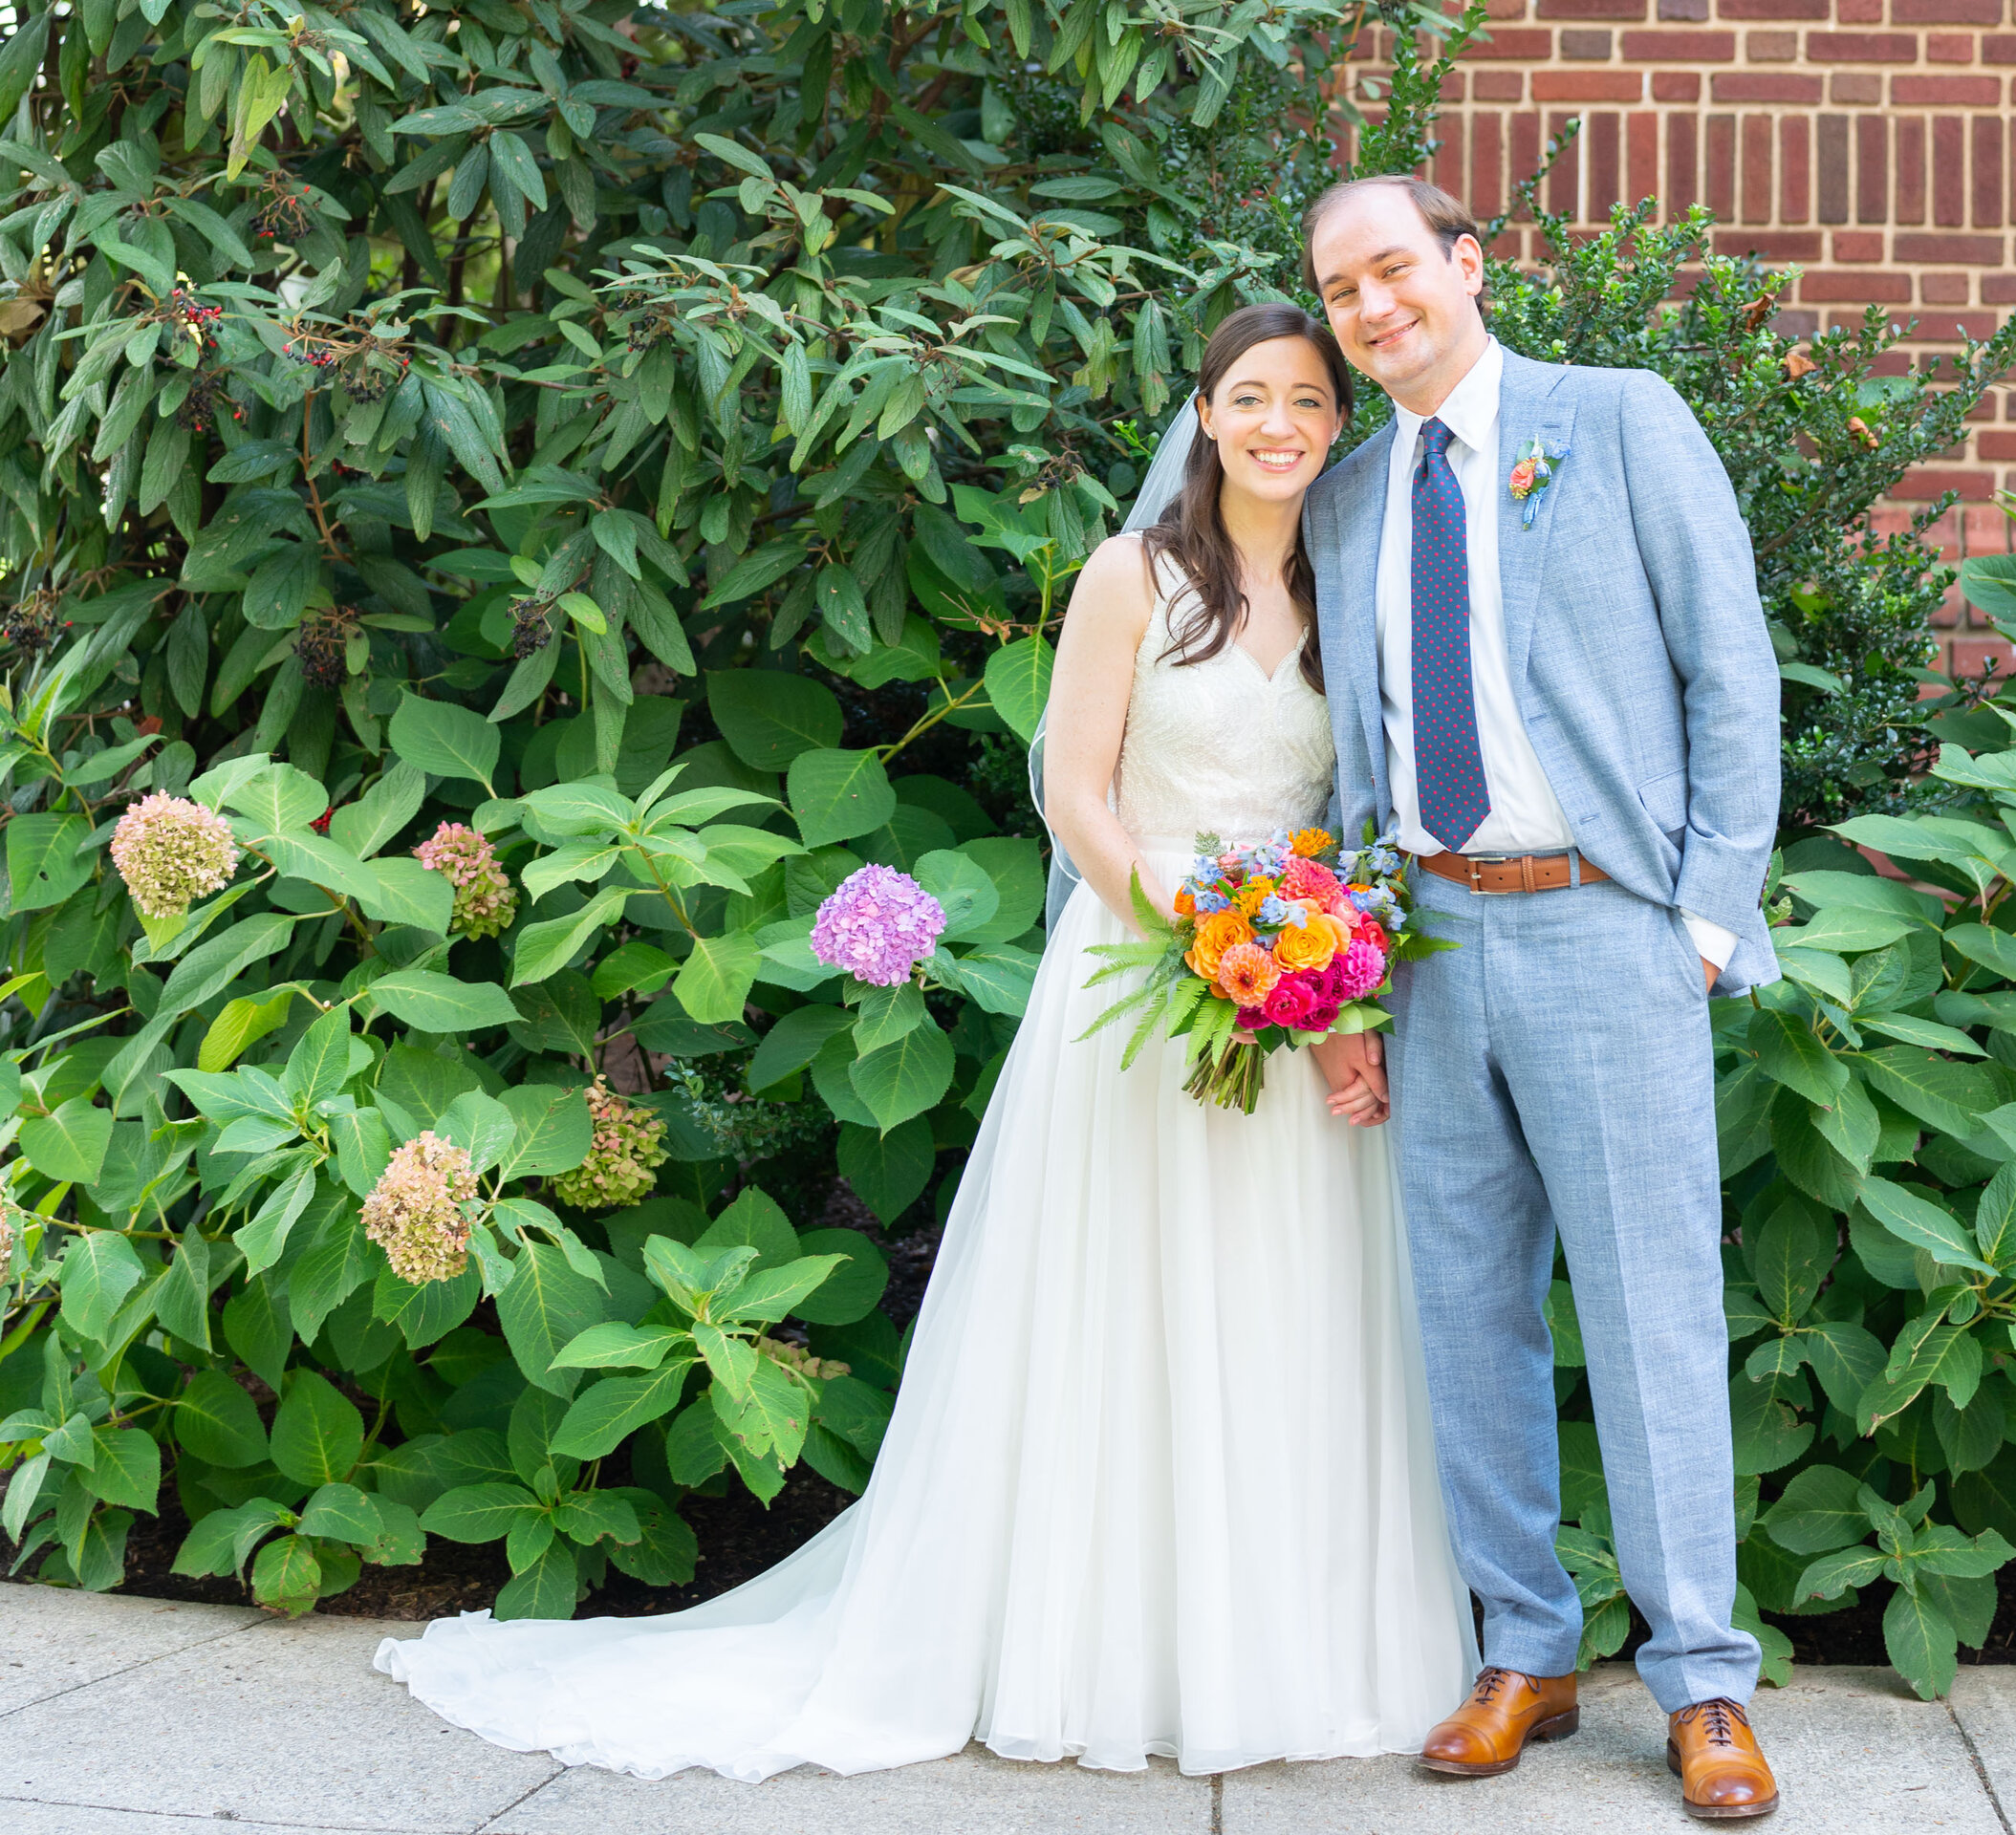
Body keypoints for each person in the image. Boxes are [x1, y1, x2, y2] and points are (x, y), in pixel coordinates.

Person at [371, 300, 1479, 1781]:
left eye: (1311, 403)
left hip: (1300, 992)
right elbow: (1080, 800)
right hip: (1148, 980)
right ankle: (1102, 1651)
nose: (1282, 424)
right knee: (1131, 1314)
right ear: (1204, 414)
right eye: (1252, 397)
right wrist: (1214, 944)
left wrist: (1324, 993)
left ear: (1341, 428)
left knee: (1292, 1309)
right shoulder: (1131, 575)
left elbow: (1355, 820)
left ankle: (1283, 1651)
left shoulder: (1354, 590)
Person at [1298, 175, 1786, 1821]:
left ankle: (1704, 1678)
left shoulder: (1619, 419)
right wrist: (1353, 973)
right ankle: (1525, 1647)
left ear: (1466, 266)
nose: (1371, 310)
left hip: (1606, 936)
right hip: (1432, 946)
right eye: (1340, 291)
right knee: (1467, 1319)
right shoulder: (1352, 494)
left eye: (1393, 271)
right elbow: (1359, 756)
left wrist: (1705, 924)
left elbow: (1734, 668)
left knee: (1654, 1317)